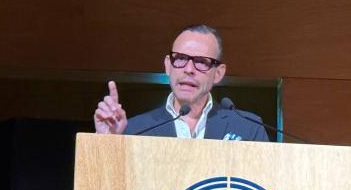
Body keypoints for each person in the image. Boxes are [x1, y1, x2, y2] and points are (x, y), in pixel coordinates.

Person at [93, 24, 269, 142]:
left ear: (218, 74)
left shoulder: (249, 128)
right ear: (168, 66)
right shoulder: (134, 130)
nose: (189, 69)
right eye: (181, 59)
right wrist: (106, 143)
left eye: (201, 61)